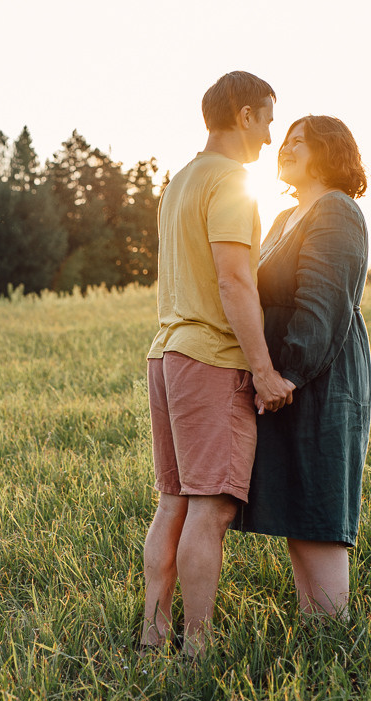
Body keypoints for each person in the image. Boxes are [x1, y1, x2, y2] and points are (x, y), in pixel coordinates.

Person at [141, 71, 296, 657]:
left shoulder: (181, 180)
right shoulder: (231, 181)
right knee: (210, 508)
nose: (270, 134)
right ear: (245, 115)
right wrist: (263, 370)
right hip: (209, 359)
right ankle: (197, 648)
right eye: (267, 119)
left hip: (166, 353)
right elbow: (234, 280)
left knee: (174, 502)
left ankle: (153, 638)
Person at [232, 116, 371, 619]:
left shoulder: (336, 209)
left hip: (319, 372)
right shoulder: (285, 217)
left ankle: (334, 634)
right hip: (287, 372)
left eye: (299, 142)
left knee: (318, 501)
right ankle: (315, 629)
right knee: (297, 499)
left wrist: (287, 373)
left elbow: (324, 301)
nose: (286, 148)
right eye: (285, 141)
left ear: (328, 152)